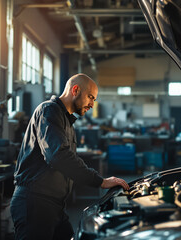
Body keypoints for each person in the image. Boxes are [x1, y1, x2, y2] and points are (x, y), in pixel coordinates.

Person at [10, 73, 129, 240]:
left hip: (54, 205)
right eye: (90, 97)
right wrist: (100, 181)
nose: (92, 105)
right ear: (75, 90)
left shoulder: (66, 121)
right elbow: (59, 156)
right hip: (35, 203)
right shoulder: (49, 111)